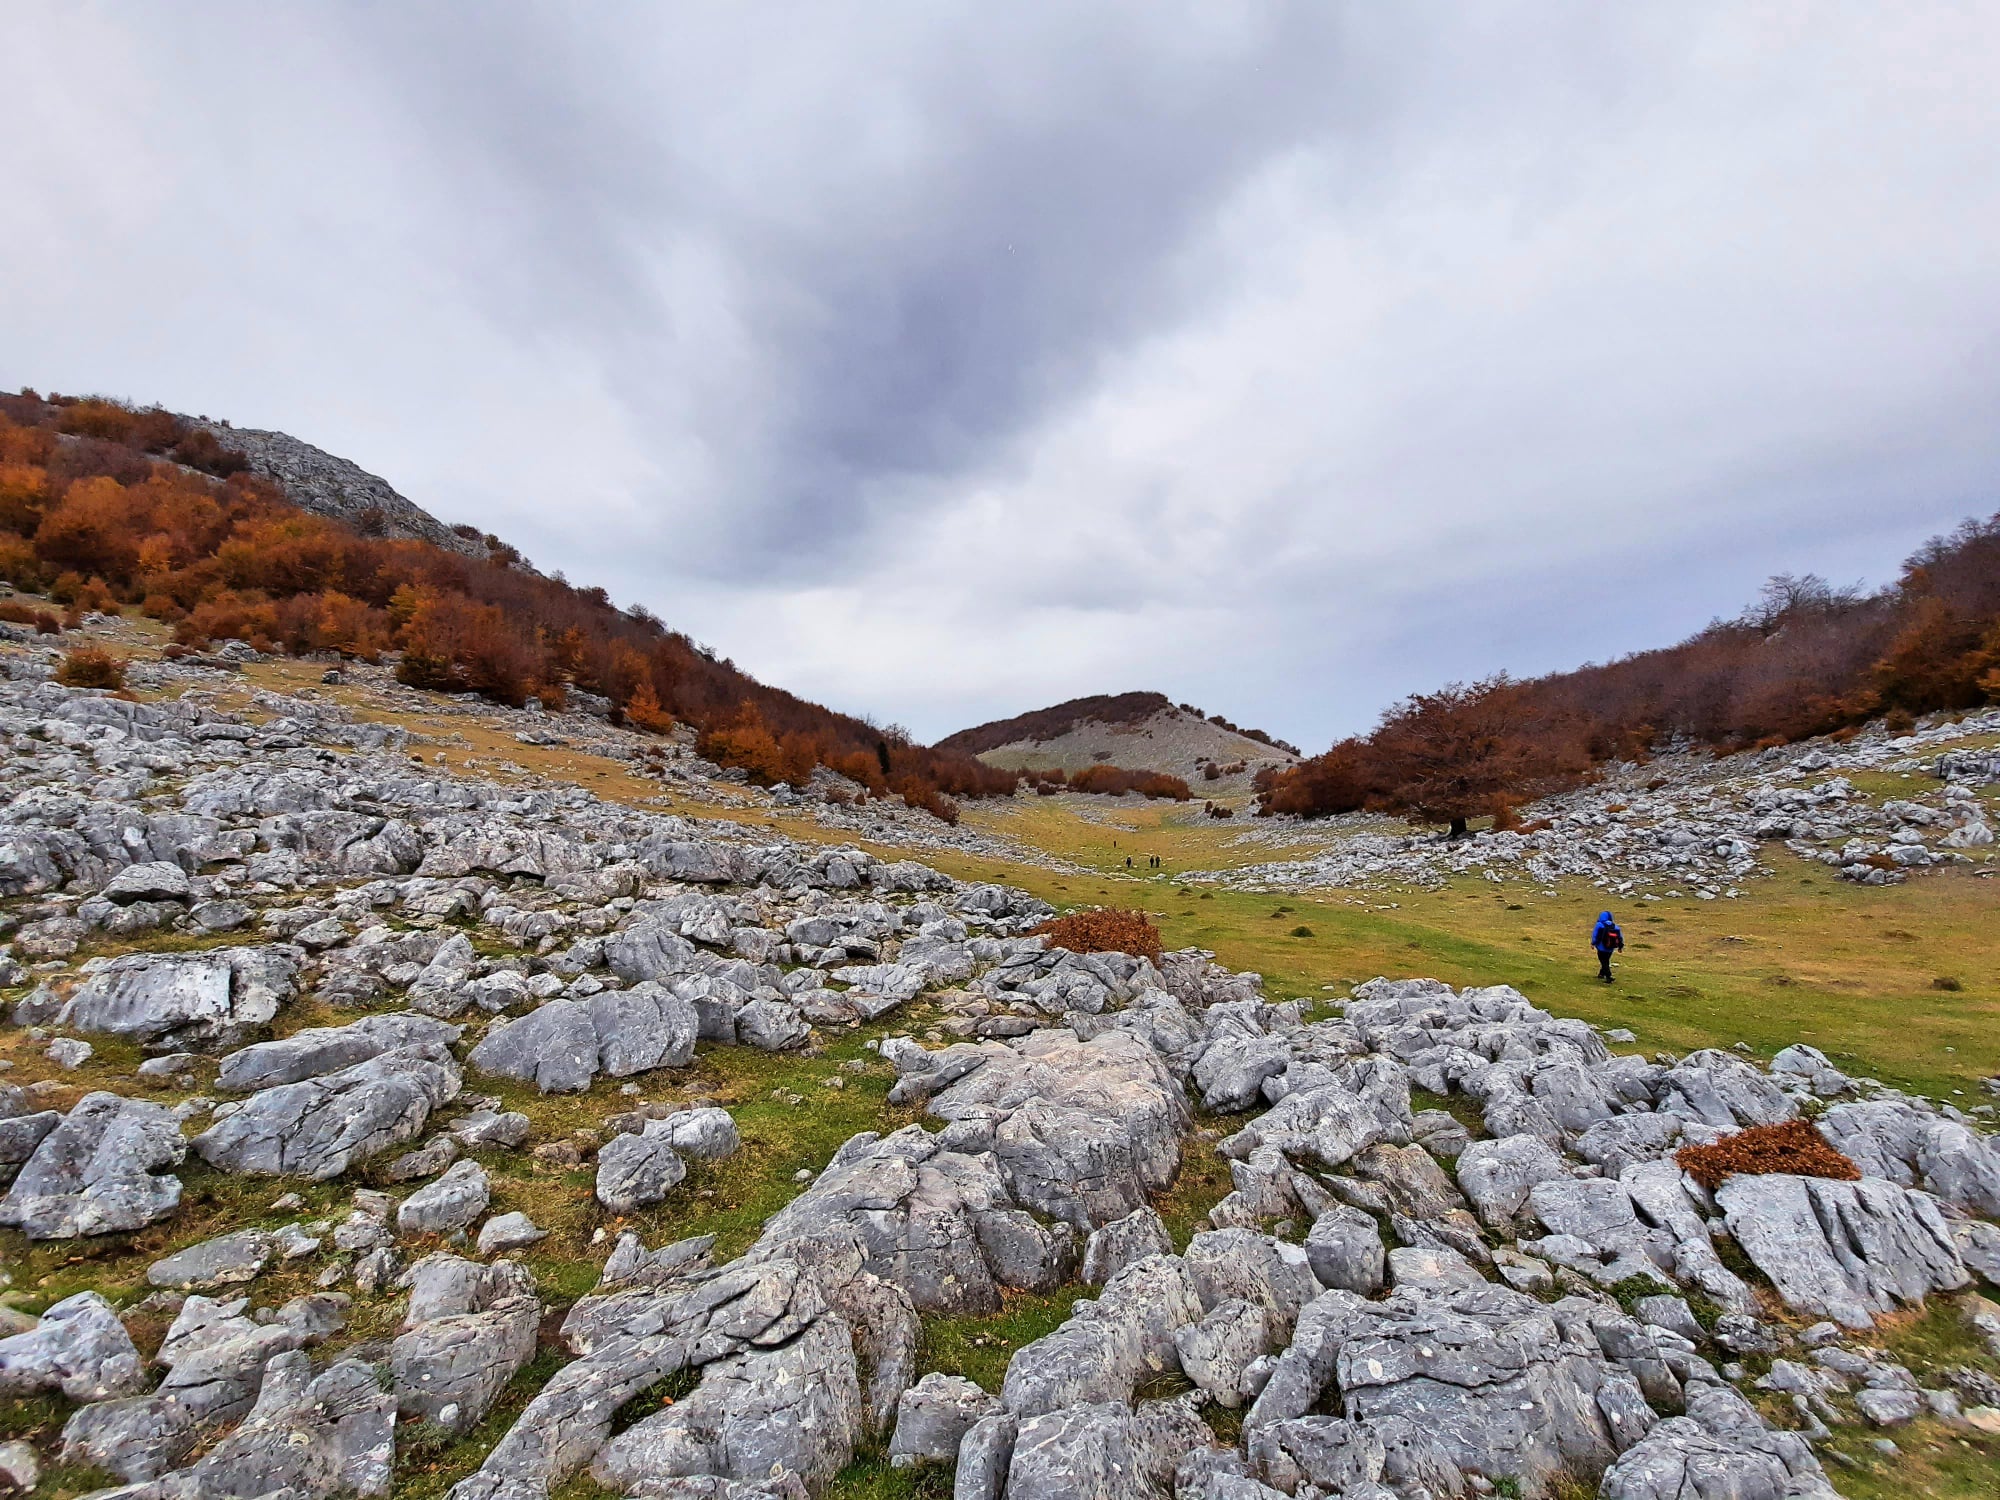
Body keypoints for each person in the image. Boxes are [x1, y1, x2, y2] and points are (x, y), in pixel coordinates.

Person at [1591, 910, 1624, 982]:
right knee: (1606, 960)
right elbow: (1620, 937)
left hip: (1601, 947)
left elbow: (1595, 935)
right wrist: (1620, 947)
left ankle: (1608, 976)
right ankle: (1601, 974)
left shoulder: (1599, 925)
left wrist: (1593, 943)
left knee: (1603, 961)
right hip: (1610, 948)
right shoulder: (1615, 926)